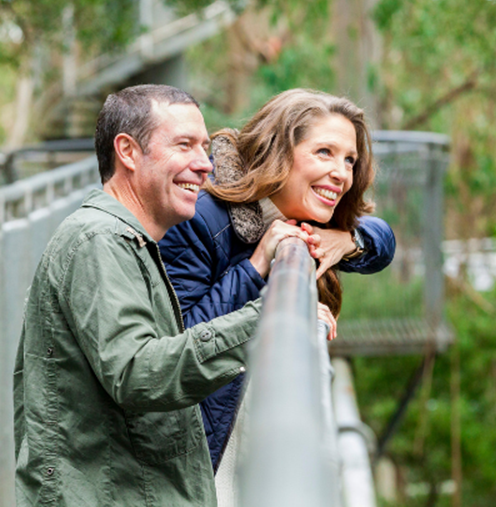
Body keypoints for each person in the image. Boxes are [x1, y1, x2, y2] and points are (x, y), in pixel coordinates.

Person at [13, 85, 263, 507]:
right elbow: (137, 371)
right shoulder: (98, 241)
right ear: (128, 152)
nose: (204, 165)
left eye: (204, 147)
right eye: (184, 145)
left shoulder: (129, 240)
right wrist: (263, 321)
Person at [159, 88, 396, 479]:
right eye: (324, 152)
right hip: (194, 451)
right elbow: (179, 345)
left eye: (350, 159)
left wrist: (349, 241)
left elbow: (383, 239)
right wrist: (256, 268)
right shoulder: (201, 217)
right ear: (279, 151)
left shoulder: (307, 214)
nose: (341, 173)